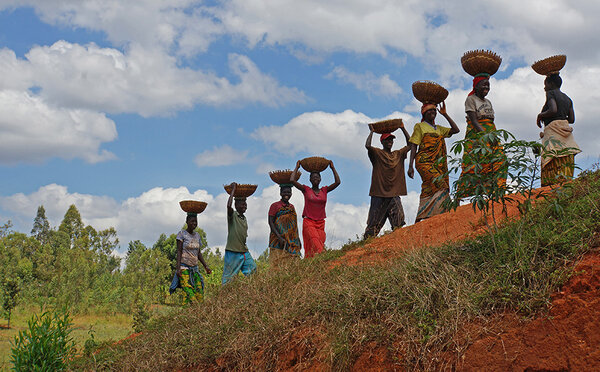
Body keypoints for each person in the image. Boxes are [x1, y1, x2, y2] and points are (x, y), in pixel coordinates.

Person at [408, 102, 460, 222]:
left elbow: (456, 130)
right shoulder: (419, 126)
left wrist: (445, 114)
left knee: (427, 189)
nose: (433, 113)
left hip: (438, 164)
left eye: (434, 111)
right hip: (424, 162)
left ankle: (420, 218)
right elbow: (414, 146)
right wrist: (410, 166)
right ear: (424, 113)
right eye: (429, 111)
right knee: (440, 184)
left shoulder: (439, 128)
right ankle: (444, 214)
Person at [458, 73, 506, 196]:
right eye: (484, 85)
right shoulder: (471, 99)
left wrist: (493, 136)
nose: (487, 88)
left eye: (488, 85)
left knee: (501, 160)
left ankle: (497, 192)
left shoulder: (488, 101)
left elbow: (490, 121)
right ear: (476, 86)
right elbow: (474, 121)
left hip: (491, 135)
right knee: (474, 165)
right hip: (477, 136)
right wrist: (487, 137)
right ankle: (460, 195)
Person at [364, 122, 411, 239]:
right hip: (378, 194)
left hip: (394, 194)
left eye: (391, 140)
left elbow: (410, 144)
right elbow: (368, 146)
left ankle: (398, 243)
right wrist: (371, 132)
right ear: (382, 142)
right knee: (373, 224)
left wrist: (403, 128)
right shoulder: (377, 153)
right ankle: (365, 245)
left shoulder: (398, 154)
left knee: (399, 222)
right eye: (387, 140)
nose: (390, 141)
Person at [536, 74, 581, 186]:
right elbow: (571, 119)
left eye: (545, 84)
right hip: (567, 137)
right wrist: (561, 119)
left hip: (553, 134)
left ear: (551, 84)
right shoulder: (568, 99)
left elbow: (553, 109)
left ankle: (550, 189)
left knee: (552, 158)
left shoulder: (551, 93)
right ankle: (565, 185)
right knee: (565, 160)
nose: (544, 87)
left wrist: (540, 115)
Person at [290, 159, 341, 258]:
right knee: (315, 240)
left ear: (320, 179)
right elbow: (292, 180)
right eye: (313, 178)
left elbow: (338, 182)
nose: (315, 179)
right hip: (308, 221)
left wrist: (332, 168)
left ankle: (313, 265)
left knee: (318, 244)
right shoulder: (306, 189)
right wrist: (297, 167)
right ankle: (325, 258)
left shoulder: (324, 190)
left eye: (317, 177)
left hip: (321, 223)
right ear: (310, 180)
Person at [170, 213, 212, 304]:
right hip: (184, 268)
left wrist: (206, 266)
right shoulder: (182, 234)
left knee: (199, 293)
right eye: (192, 221)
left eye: (196, 221)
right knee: (190, 294)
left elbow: (198, 253)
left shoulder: (197, 236)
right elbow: (179, 251)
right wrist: (178, 269)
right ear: (187, 221)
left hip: (195, 268)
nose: (194, 223)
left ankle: (189, 314)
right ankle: (194, 311)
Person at [222, 183, 257, 285]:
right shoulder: (233, 215)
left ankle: (249, 291)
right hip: (232, 251)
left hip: (243, 251)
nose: (244, 206)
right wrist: (233, 191)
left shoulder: (244, 218)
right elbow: (228, 206)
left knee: (253, 269)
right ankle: (223, 296)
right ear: (236, 205)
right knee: (228, 279)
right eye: (242, 204)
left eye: (245, 204)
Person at [268, 184, 302, 266]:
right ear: (280, 193)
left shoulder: (292, 207)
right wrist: (279, 237)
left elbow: (294, 226)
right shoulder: (275, 206)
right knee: (276, 264)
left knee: (294, 265)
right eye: (284, 192)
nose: (286, 194)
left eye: (289, 192)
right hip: (277, 240)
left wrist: (298, 239)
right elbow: (270, 222)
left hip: (292, 241)